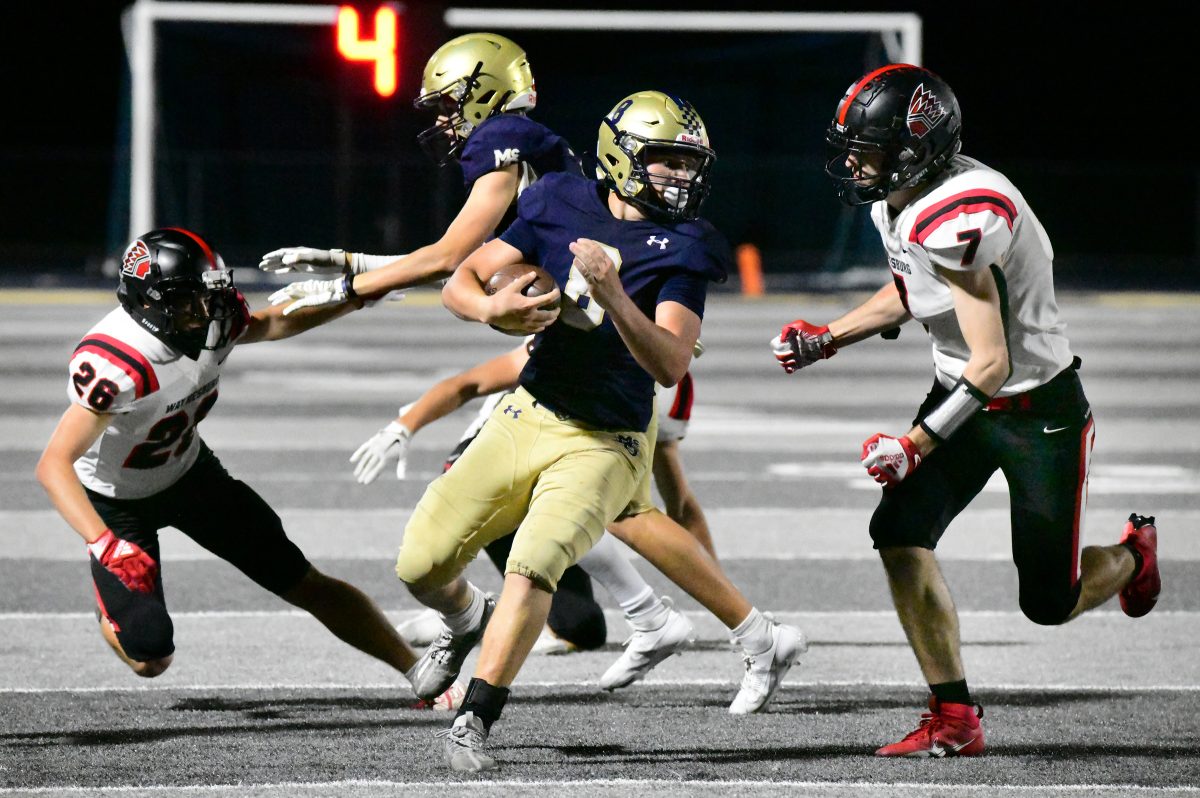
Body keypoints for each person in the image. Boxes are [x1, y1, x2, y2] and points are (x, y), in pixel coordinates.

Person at [396, 90, 803, 773]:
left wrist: (613, 294)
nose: (682, 175)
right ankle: (466, 620)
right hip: (528, 411)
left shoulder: (686, 245)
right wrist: (490, 308)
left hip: (609, 437)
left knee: (536, 561)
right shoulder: (556, 199)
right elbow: (462, 278)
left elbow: (670, 363)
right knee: (420, 564)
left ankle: (475, 718)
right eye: (668, 160)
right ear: (621, 156)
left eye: (690, 163)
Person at [770, 64, 1161, 758]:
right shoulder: (902, 199)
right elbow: (915, 288)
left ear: (915, 150)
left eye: (869, 149)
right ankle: (954, 715)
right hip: (964, 397)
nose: (854, 162)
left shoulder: (962, 213)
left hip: (1037, 409)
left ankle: (1133, 556)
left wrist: (914, 445)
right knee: (899, 532)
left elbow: (993, 363)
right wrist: (829, 337)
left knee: (1048, 603)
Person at [34, 228, 462, 710]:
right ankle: (114, 611)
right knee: (150, 656)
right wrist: (105, 544)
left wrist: (354, 296)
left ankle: (419, 673)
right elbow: (54, 464)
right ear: (150, 303)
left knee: (300, 578)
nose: (206, 310)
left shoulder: (211, 320)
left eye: (208, 295)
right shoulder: (119, 361)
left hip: (190, 476)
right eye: (190, 300)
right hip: (115, 501)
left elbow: (273, 322)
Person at [350, 337, 709, 685]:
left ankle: (478, 616)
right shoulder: (578, 342)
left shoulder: (671, 381)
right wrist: (402, 428)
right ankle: (647, 613)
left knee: (581, 628)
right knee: (576, 498)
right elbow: (467, 383)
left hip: (570, 476)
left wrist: (715, 588)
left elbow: (675, 497)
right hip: (503, 469)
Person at [260, 32, 579, 309]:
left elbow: (449, 258)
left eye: (449, 106)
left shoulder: (499, 134)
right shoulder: (527, 143)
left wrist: (346, 288)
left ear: (485, 93)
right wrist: (346, 262)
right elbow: (463, 267)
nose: (441, 119)